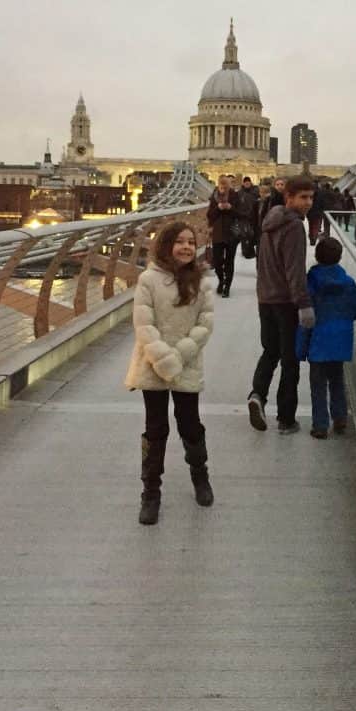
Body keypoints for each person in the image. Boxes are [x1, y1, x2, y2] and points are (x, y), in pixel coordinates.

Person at [124, 222, 216, 526]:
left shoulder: (202, 282)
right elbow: (143, 324)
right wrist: (163, 359)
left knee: (190, 424)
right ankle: (150, 493)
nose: (186, 247)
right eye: (179, 241)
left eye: (191, 242)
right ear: (166, 245)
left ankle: (200, 476)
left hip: (187, 362)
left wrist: (178, 356)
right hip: (152, 364)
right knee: (155, 428)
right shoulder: (148, 280)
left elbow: (205, 324)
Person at [248, 176, 316, 435]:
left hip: (265, 298)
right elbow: (294, 270)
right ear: (288, 197)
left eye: (311, 197)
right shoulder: (294, 226)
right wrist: (304, 304)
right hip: (286, 302)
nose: (308, 203)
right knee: (290, 361)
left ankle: (257, 395)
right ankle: (286, 419)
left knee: (269, 352)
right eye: (303, 197)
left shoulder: (270, 221)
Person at [296, 237, 356, 439]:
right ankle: (340, 418)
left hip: (318, 343)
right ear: (339, 257)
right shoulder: (348, 282)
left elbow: (306, 316)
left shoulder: (311, 282)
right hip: (340, 343)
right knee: (337, 382)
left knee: (318, 387)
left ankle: (320, 425)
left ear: (317, 256)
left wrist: (301, 346)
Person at [207, 174, 241, 298]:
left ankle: (227, 287)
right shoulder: (214, 197)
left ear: (229, 186)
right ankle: (221, 280)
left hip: (232, 233)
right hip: (218, 234)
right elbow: (209, 215)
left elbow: (241, 214)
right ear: (218, 186)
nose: (223, 189)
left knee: (229, 262)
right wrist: (218, 208)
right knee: (217, 262)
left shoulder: (235, 196)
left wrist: (230, 208)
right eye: (221, 186)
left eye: (226, 186)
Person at [307, 181, 326, 245]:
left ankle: (311, 237)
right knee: (315, 226)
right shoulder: (321, 193)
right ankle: (313, 238)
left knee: (311, 225)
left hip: (310, 212)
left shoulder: (309, 193)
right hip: (318, 212)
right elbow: (323, 203)